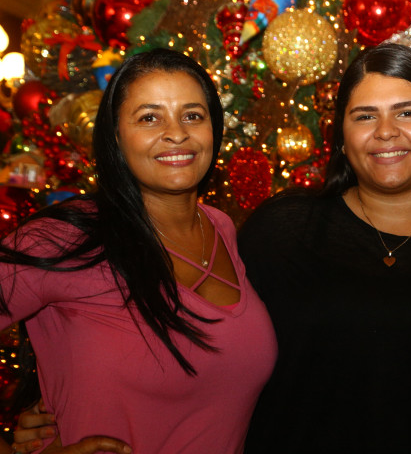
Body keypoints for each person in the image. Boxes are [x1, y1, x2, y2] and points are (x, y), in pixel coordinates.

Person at [0, 49, 277, 453]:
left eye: (193, 115)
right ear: (115, 136)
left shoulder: (221, 228)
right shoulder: (65, 237)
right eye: (149, 118)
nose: (176, 133)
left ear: (214, 130)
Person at [238, 43, 411, 453]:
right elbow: (214, 359)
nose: (386, 131)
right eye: (364, 116)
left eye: (407, 113)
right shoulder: (282, 231)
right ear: (342, 135)